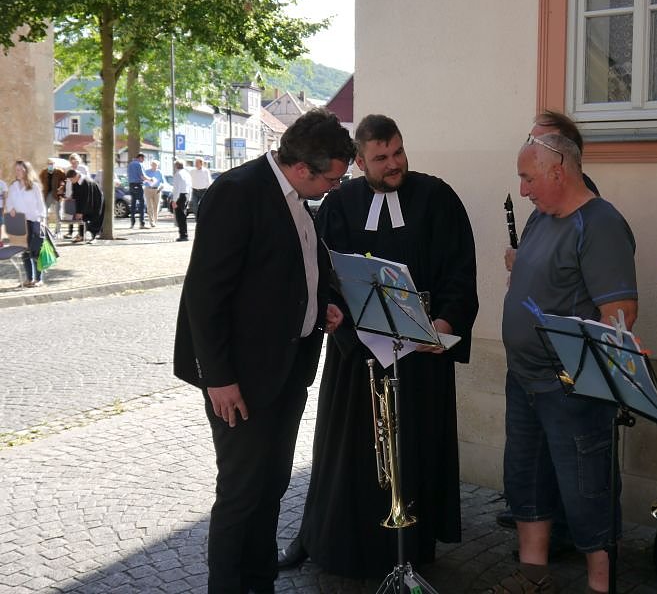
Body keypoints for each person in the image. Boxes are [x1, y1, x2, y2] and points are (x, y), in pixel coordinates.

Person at [279, 114, 479, 578]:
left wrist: (445, 321)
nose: (394, 164)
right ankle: (326, 539)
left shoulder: (437, 197)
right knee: (345, 455)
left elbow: (460, 269)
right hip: (356, 357)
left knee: (413, 451)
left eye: (398, 152)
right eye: (381, 158)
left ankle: (411, 545)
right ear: (360, 161)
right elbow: (320, 268)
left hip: (421, 358)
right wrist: (332, 313)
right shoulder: (340, 202)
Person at [173, 108, 355, 594]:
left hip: (288, 369)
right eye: (333, 179)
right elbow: (204, 295)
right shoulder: (237, 192)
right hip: (243, 377)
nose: (335, 187)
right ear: (302, 168)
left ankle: (260, 582)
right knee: (240, 493)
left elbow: (304, 267)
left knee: (272, 486)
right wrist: (219, 378)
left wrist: (326, 306)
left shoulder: (297, 196)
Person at [495, 133, 637, 593]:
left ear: (559, 171)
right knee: (526, 480)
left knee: (587, 491)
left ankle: (601, 586)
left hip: (570, 386)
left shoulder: (599, 223)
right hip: (526, 381)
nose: (523, 190)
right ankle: (533, 577)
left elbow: (620, 314)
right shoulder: (541, 217)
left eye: (528, 177)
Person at [498, 111, 600, 551]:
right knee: (528, 472)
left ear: (560, 161)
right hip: (527, 372)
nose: (528, 152)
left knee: (580, 480)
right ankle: (537, 563)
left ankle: (585, 559)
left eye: (536, 146)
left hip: (563, 376)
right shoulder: (543, 212)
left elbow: (611, 308)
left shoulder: (588, 212)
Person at [7, 160, 48, 287]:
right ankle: (29, 279)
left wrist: (42, 219)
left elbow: (41, 204)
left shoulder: (34, 186)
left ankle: (39, 279)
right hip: (21, 223)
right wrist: (11, 209)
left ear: (26, 170)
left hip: (34, 221)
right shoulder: (13, 186)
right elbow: (9, 201)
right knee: (25, 251)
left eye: (20, 169)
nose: (17, 172)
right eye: (16, 169)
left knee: (35, 251)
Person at [66, 169, 104, 242]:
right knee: (82, 218)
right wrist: (72, 199)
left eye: (71, 179)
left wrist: (80, 212)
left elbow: (86, 198)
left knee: (93, 218)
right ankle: (81, 235)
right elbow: (76, 194)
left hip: (95, 201)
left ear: (76, 176)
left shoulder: (86, 182)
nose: (71, 181)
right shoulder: (75, 182)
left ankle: (93, 237)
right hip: (86, 202)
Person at [63, 153, 89, 240]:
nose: (73, 164)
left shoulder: (83, 168)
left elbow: (87, 179)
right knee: (70, 213)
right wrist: (66, 194)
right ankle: (70, 232)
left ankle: (80, 233)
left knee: (79, 213)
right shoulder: (67, 169)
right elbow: (66, 182)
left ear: (78, 161)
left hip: (80, 193)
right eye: (72, 162)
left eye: (75, 162)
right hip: (70, 193)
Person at [39, 161, 66, 237]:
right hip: (47, 195)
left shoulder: (59, 171)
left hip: (57, 195)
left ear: (54, 165)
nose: (50, 165)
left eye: (52, 164)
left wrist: (62, 189)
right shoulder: (43, 172)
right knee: (44, 213)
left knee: (58, 213)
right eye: (49, 164)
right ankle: (46, 230)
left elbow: (65, 181)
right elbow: (39, 181)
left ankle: (57, 231)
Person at [170, 159, 192, 242]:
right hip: (185, 195)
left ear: (176, 166)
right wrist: (189, 198)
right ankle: (184, 234)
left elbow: (177, 189)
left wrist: (174, 200)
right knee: (183, 216)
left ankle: (183, 235)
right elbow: (190, 187)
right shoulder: (187, 174)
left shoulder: (177, 174)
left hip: (180, 196)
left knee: (180, 217)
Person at [127, 152, 148, 229]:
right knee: (142, 205)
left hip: (131, 185)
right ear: (140, 158)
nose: (143, 161)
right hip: (138, 185)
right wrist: (150, 180)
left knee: (133, 204)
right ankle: (142, 224)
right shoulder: (139, 164)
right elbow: (142, 176)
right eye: (143, 159)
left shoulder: (130, 164)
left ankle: (132, 223)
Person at [144, 160, 164, 228]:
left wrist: (161, 188)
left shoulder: (159, 172)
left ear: (157, 166)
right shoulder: (147, 171)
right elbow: (143, 180)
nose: (154, 166)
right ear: (151, 165)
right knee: (149, 206)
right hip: (148, 189)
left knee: (156, 206)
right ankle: (151, 222)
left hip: (157, 190)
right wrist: (149, 180)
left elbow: (163, 182)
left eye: (156, 165)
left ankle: (155, 220)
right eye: (153, 165)